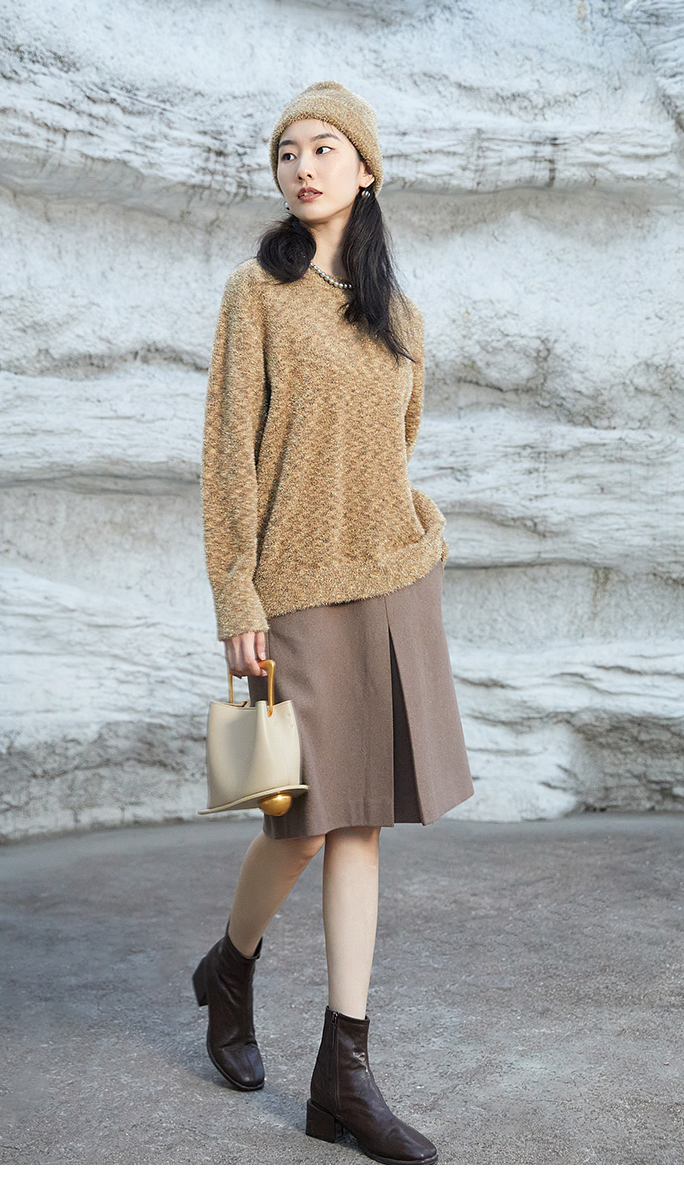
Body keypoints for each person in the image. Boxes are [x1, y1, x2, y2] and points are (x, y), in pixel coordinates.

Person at [194, 80, 475, 1166]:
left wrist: (415, 530)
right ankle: (230, 964)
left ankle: (342, 1075)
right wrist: (237, 595)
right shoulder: (255, 294)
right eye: (286, 152)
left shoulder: (400, 318)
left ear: (365, 168)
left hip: (391, 582)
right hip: (295, 587)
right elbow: (228, 458)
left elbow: (393, 451)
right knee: (301, 821)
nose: (302, 166)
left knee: (363, 823)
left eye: (323, 148)